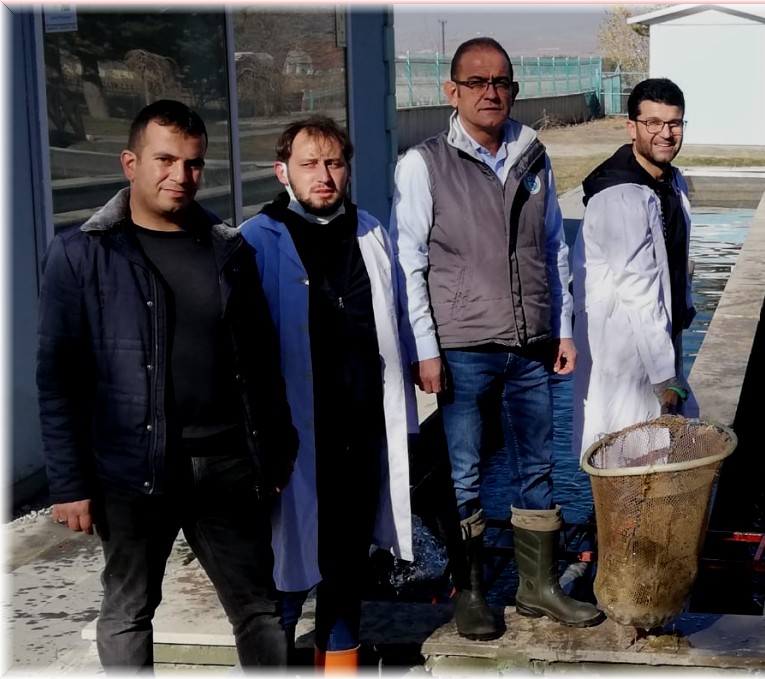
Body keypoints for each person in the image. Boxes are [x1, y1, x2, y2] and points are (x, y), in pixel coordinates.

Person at [37, 99, 297, 670]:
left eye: (194, 163)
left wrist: (277, 448)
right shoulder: (82, 253)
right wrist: (68, 482)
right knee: (129, 609)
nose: (180, 176)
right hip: (132, 471)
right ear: (130, 163)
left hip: (227, 465)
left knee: (260, 608)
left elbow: (259, 359)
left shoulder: (231, 250)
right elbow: (59, 379)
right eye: (165, 160)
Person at [391, 36, 603, 639]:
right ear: (451, 91)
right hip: (463, 347)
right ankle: (472, 590)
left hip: (531, 346)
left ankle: (537, 588)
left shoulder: (534, 155)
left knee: (536, 464)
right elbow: (410, 260)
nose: (491, 92)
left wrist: (562, 328)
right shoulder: (422, 164)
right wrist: (425, 349)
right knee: (463, 472)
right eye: (477, 82)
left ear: (514, 89)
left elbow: (556, 246)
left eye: (502, 81)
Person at [239, 116, 419, 670]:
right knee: (284, 572)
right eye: (309, 164)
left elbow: (396, 322)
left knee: (346, 566)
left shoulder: (370, 231)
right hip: (292, 439)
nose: (324, 176)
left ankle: (340, 662)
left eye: (335, 163)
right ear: (282, 171)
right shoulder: (257, 240)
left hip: (360, 433)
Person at [571, 77, 699, 459]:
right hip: (625, 349)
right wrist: (665, 377)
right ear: (632, 127)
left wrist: (685, 304)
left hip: (661, 336)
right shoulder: (620, 197)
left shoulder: (670, 182)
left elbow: (677, 259)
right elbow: (640, 291)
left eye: (674, 123)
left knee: (656, 454)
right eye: (653, 123)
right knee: (626, 454)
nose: (666, 133)